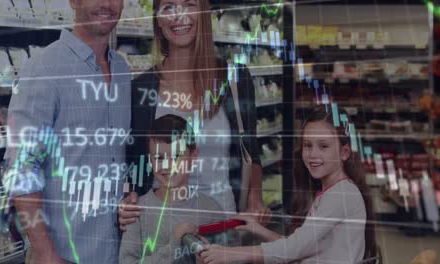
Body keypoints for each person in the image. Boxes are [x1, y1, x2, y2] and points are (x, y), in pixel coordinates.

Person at [3, 0, 139, 263]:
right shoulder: (44, 68)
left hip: (115, 252)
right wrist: (45, 254)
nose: (107, 4)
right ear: (73, 1)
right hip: (63, 253)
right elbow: (20, 168)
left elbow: (113, 155)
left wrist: (127, 195)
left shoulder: (122, 70)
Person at [128, 0, 270, 223]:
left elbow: (250, 148)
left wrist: (255, 197)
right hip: (161, 230)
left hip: (222, 227)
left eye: (189, 4)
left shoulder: (236, 79)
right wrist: (128, 197)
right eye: (168, 7)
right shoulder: (139, 89)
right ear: (158, 19)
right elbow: (131, 165)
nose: (179, 16)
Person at [186, 106, 377, 264]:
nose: (312, 154)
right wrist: (257, 228)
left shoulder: (341, 194)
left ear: (344, 152)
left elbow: (293, 249)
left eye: (324, 146)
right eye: (307, 145)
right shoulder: (333, 191)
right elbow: (300, 247)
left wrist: (230, 254)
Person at [119, 114, 225, 263]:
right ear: (150, 160)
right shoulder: (137, 212)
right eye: (159, 158)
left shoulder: (212, 210)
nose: (167, 165)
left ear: (193, 156)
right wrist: (175, 243)